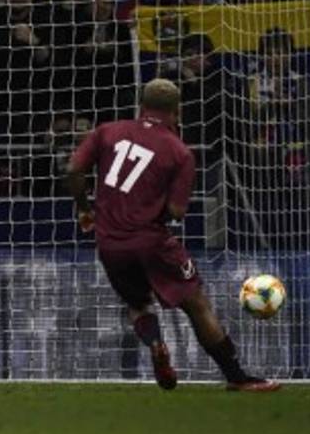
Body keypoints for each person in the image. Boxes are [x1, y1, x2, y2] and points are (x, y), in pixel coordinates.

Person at [65, 79, 280, 393]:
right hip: (152, 241)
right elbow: (177, 211)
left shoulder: (107, 131)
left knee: (138, 305)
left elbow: (73, 170)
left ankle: (155, 344)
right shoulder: (179, 152)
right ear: (178, 111)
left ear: (141, 104)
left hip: (109, 242)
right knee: (196, 303)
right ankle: (237, 377)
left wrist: (85, 209)